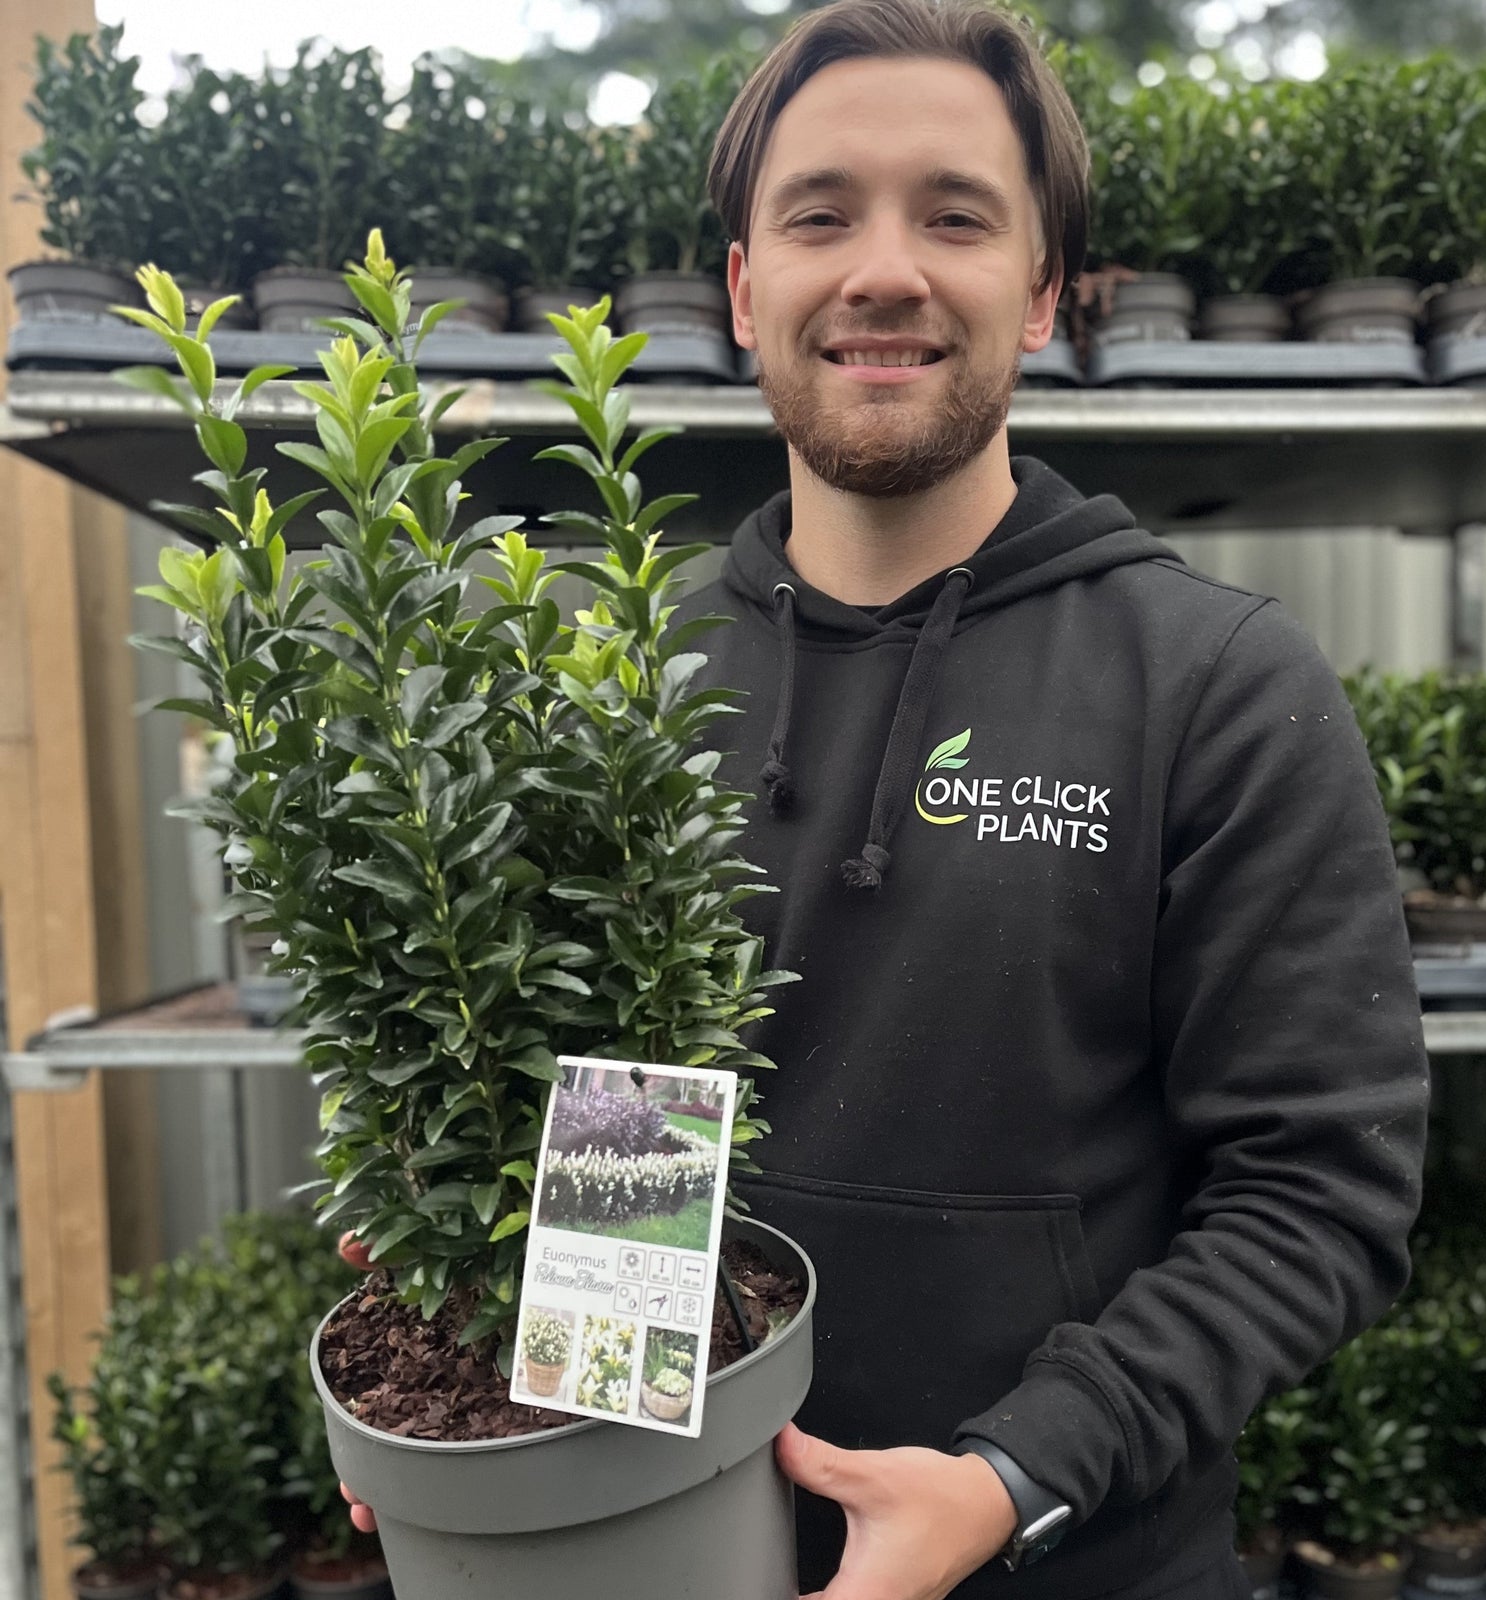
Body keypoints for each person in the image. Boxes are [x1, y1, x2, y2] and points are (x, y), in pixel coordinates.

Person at [346, 3, 1431, 1595]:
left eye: (956, 215)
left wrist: (1014, 1476)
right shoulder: (610, 686)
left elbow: (1318, 1197)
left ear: (1046, 289)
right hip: (659, 1549)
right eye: (821, 213)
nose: (883, 270)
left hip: (1068, 1558)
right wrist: (480, 1416)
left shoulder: (1211, 685)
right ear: (740, 287)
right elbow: (605, 1128)